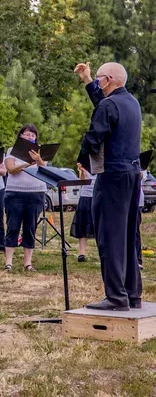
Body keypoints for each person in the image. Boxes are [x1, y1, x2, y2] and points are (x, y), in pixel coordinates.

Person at [75, 62, 142, 311]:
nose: (98, 83)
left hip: (112, 174)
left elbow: (94, 136)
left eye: (100, 79)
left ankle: (115, 296)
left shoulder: (108, 104)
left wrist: (82, 160)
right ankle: (132, 294)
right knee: (126, 234)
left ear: (110, 79)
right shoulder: (131, 103)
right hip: (132, 173)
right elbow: (105, 107)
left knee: (109, 236)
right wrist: (87, 79)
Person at [4, 124, 47, 273]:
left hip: (36, 193)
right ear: (21, 135)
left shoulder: (40, 152)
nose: (30, 137)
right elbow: (11, 169)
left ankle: (27, 263)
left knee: (30, 228)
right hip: (15, 193)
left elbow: (45, 169)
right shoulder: (12, 151)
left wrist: (39, 161)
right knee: (13, 226)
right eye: (27, 134)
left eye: (32, 135)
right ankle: (8, 263)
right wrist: (28, 163)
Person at [71, 163, 95, 262]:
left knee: (99, 226)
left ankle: (103, 253)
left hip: (98, 196)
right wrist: (82, 171)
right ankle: (81, 254)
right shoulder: (85, 163)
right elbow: (82, 181)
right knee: (83, 225)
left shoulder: (102, 161)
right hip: (85, 196)